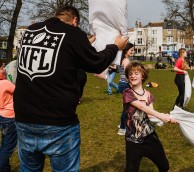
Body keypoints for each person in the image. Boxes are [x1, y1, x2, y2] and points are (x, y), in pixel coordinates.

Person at [13, 6, 128, 171]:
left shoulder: (31, 31)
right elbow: (95, 63)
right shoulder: (73, 34)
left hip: (24, 118)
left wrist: (82, 45)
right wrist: (115, 47)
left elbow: (60, 54)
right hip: (57, 121)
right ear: (75, 21)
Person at [122, 62, 178, 172]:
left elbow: (150, 114)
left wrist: (168, 117)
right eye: (130, 74)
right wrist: (161, 116)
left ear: (143, 76)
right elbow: (142, 107)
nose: (133, 76)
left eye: (136, 73)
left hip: (149, 137)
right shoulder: (127, 93)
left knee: (164, 166)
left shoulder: (148, 94)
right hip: (133, 140)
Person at [0, 69, 16, 172]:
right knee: (8, 147)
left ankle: (5, 169)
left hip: (2, 116)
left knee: (5, 144)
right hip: (10, 117)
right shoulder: (5, 83)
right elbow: (19, 92)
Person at [117, 42, 134, 135]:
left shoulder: (121, 59)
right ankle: (122, 128)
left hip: (122, 84)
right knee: (127, 108)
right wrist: (132, 85)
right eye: (131, 50)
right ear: (126, 50)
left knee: (126, 106)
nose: (133, 51)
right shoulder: (126, 61)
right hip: (125, 85)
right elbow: (128, 75)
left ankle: (121, 124)